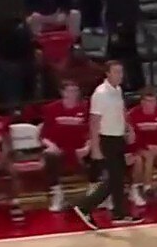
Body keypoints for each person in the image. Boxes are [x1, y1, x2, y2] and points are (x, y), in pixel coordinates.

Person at [73, 60, 135, 228]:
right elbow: (94, 122)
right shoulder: (100, 94)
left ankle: (120, 213)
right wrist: (95, 148)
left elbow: (122, 111)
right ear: (107, 73)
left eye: (121, 72)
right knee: (115, 177)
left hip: (118, 137)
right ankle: (84, 205)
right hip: (106, 139)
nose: (119, 76)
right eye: (116, 72)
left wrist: (129, 129)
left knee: (118, 178)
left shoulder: (117, 90)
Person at [41, 79, 96, 212]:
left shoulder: (86, 108)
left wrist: (87, 147)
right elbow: (43, 135)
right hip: (59, 149)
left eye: (75, 91)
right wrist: (52, 146)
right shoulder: (51, 109)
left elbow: (92, 131)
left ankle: (94, 192)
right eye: (69, 91)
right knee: (48, 155)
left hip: (80, 149)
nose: (73, 93)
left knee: (98, 152)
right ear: (62, 92)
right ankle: (58, 193)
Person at [126, 88, 157, 204]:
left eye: (153, 101)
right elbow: (134, 136)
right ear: (142, 102)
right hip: (141, 147)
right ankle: (147, 187)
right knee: (148, 156)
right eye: (147, 101)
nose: (150, 104)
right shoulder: (133, 114)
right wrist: (147, 147)